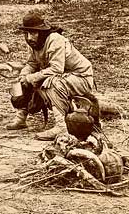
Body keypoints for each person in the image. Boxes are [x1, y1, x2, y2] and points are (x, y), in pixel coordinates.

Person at [7, 12, 95, 141]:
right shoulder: (34, 44)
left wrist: (31, 78)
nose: (29, 37)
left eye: (33, 33)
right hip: (63, 77)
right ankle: (21, 119)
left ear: (41, 32)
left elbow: (56, 69)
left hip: (81, 77)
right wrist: (24, 76)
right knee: (25, 80)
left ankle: (61, 127)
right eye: (26, 33)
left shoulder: (55, 39)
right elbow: (32, 63)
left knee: (51, 82)